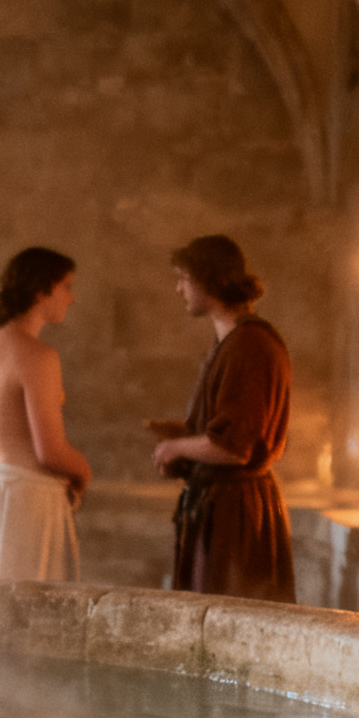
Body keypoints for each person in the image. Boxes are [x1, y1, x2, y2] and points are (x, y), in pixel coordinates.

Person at [147, 234, 294, 602]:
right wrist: (181, 444)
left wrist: (177, 446)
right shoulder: (230, 342)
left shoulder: (249, 347)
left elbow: (235, 448)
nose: (179, 288)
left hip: (236, 516)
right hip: (220, 508)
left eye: (184, 278)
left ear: (207, 279)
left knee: (232, 621)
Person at [0, 248, 92, 582]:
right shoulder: (39, 356)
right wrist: (82, 472)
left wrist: (8, 459)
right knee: (32, 623)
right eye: (66, 287)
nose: (71, 298)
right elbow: (50, 451)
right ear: (40, 291)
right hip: (27, 508)